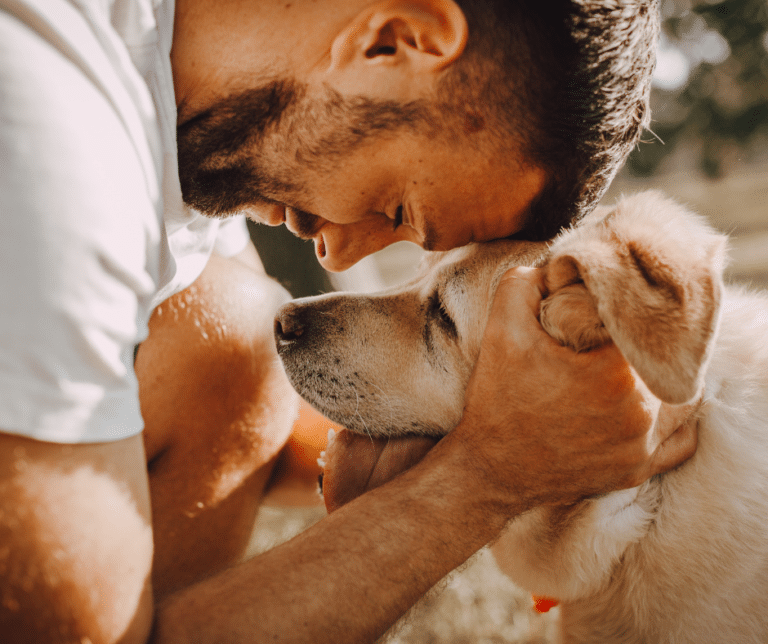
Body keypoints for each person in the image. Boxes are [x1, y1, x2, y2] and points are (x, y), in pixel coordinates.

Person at [0, 0, 697, 642]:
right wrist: (488, 477)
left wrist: (534, 422)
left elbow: (261, 433)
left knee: (231, 336)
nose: (335, 249)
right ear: (397, 40)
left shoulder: (169, 100)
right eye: (396, 208)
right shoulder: (46, 125)